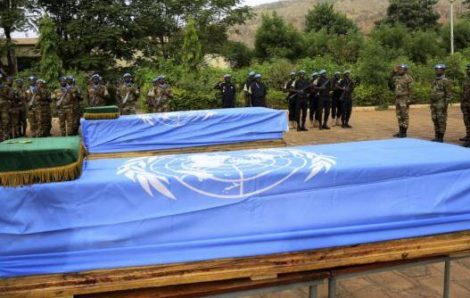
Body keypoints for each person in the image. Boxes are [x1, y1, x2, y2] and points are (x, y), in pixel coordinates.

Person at [430, 64, 452, 143]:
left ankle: (441, 136)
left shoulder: (446, 81)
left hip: (441, 103)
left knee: (441, 120)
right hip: (434, 103)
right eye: (436, 69)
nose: (436, 71)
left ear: (443, 70)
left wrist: (445, 104)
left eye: (438, 69)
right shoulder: (435, 80)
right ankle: (437, 135)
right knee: (434, 119)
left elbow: (449, 94)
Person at [390, 64, 413, 138]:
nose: (399, 70)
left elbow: (411, 90)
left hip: (404, 99)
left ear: (405, 70)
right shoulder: (397, 77)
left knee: (404, 115)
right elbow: (390, 82)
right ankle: (400, 131)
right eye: (399, 69)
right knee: (399, 115)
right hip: (398, 99)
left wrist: (409, 100)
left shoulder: (408, 78)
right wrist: (393, 72)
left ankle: (404, 132)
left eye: (401, 69)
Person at [0, 76, 12, 141]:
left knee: (5, 122)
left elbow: (10, 97)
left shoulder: (6, 87)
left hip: (4, 107)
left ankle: (5, 137)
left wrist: (3, 95)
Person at [461, 64, 470, 147]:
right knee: (466, 120)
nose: (468, 70)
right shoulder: (466, 79)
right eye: (467, 69)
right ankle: (468, 136)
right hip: (465, 103)